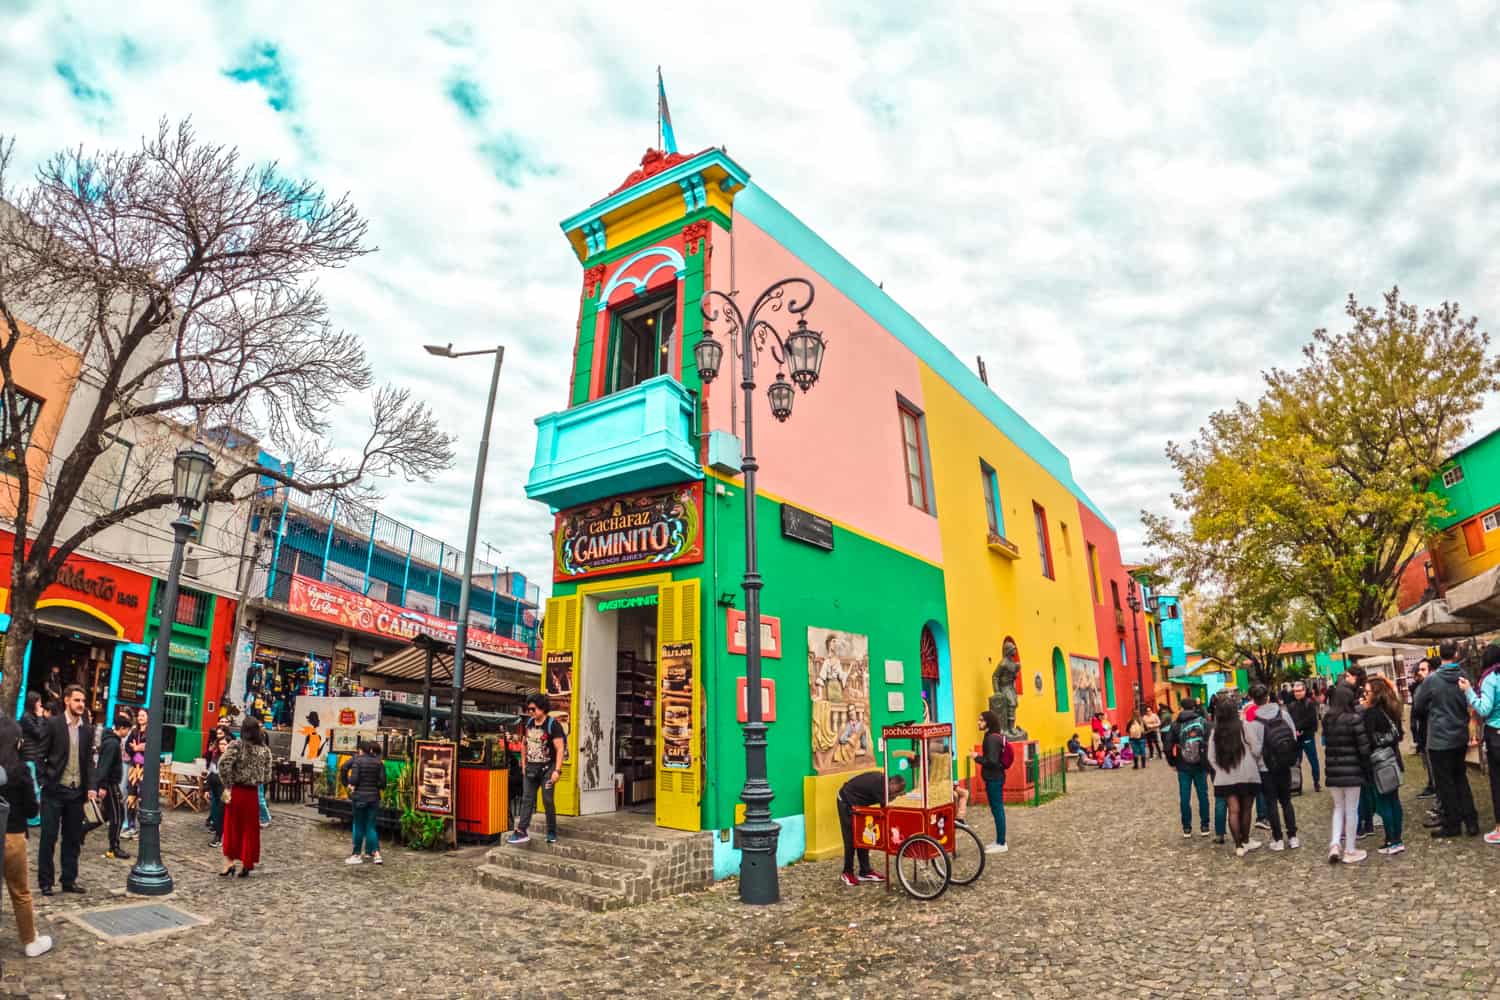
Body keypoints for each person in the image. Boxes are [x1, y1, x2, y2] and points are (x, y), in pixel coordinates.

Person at [37, 684, 97, 896]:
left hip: (76, 793)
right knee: (49, 837)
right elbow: (39, 755)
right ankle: (45, 882)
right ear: (67, 701)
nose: (81, 704)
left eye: (83, 701)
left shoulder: (87, 729)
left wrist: (91, 786)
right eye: (77, 700)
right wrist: (44, 779)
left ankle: (69, 880)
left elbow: (89, 760)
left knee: (72, 838)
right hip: (54, 790)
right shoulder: (53, 724)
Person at [0, 714, 52, 957]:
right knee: (20, 891)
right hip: (13, 836)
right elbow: (32, 810)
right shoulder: (20, 771)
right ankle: (30, 940)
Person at [1419, 639, 1480, 839]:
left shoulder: (1432, 680)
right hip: (1459, 736)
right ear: (1456, 654)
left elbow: (1419, 706)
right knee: (1461, 778)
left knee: (1445, 784)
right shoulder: (1463, 676)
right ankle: (1471, 822)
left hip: (1439, 738)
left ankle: (1453, 824)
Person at [1323, 682, 1372, 864]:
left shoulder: (1327, 719)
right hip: (1353, 770)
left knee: (1338, 808)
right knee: (1352, 809)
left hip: (1334, 770)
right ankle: (1350, 849)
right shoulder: (1354, 719)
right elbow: (1363, 748)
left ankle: (1335, 843)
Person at [1207, 696, 1263, 857]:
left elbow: (1211, 757)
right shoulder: (1244, 726)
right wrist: (1252, 761)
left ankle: (1238, 846)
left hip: (1225, 776)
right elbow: (1256, 748)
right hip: (1247, 774)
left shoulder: (1215, 732)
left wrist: (1220, 770)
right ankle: (1245, 840)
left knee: (1233, 811)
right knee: (1246, 809)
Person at [508, 693, 566, 846]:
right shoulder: (529, 724)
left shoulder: (553, 725)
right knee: (527, 799)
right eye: (528, 709)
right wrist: (523, 764)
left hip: (548, 768)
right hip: (531, 768)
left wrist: (557, 771)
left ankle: (551, 830)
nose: (530, 712)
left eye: (533, 709)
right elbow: (524, 744)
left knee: (547, 800)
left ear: (542, 708)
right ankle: (521, 830)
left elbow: (560, 749)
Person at [219, 716, 273, 877]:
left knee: (232, 828)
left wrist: (228, 783)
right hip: (252, 794)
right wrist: (257, 780)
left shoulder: (237, 746)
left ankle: (229, 863)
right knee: (249, 829)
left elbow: (223, 764)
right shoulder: (265, 751)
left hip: (236, 791)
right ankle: (247, 863)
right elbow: (267, 776)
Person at [835, 770, 905, 886]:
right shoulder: (880, 785)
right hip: (846, 801)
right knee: (851, 838)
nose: (894, 794)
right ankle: (847, 872)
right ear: (892, 783)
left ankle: (865, 871)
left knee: (863, 836)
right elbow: (886, 807)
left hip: (859, 804)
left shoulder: (884, 783)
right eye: (895, 791)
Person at [1251, 685, 1300, 851]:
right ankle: (1293, 837)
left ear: (1253, 700)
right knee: (1286, 801)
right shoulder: (1283, 714)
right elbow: (1293, 736)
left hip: (1266, 769)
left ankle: (1278, 839)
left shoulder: (1254, 723)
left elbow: (1255, 750)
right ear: (1267, 696)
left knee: (1270, 803)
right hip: (1284, 764)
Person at [1460, 644, 1500, 844]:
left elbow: (1484, 709)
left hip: (1496, 734)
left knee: (1497, 783)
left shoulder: (1490, 680)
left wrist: (1468, 691)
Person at [1364, 675, 1407, 855]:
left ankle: (1392, 840)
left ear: (1376, 694)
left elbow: (1368, 740)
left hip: (1379, 762)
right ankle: (1397, 838)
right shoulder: (1392, 709)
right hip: (1393, 759)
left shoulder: (1371, 714)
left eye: (1367, 692)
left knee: (1383, 802)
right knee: (1394, 800)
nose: (1364, 695)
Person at [1164, 697, 1211, 838]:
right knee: (1203, 794)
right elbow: (1209, 742)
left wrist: (1172, 762)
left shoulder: (1175, 725)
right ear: (1194, 707)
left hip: (1182, 764)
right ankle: (1205, 826)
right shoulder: (1203, 722)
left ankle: (1187, 828)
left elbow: (1167, 746)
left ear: (1181, 708)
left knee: (1185, 796)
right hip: (1200, 764)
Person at [340, 740, 388, 865]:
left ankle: (356, 854)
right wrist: (373, 785)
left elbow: (354, 779)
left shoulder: (358, 761)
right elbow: (383, 783)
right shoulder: (379, 763)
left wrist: (349, 784)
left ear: (361, 750)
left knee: (358, 825)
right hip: (374, 798)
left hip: (360, 797)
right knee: (371, 826)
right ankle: (377, 854)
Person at [971, 710, 1011, 854]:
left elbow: (992, 761)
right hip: (994, 777)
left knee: (998, 809)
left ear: (988, 722)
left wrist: (977, 757)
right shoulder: (990, 737)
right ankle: (999, 840)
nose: (978, 722)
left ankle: (1001, 843)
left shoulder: (991, 739)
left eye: (981, 720)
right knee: (996, 809)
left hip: (994, 778)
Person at [95, 709, 131, 861]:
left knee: (105, 815)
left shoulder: (112, 741)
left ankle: (81, 830)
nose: (127, 733)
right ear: (121, 728)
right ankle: (114, 846)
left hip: (110, 783)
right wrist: (102, 785)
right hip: (110, 784)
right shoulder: (112, 744)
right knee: (117, 816)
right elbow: (105, 766)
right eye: (127, 729)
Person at [1287, 680, 1321, 793]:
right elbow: (1290, 721)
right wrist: (1294, 730)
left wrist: (1300, 729)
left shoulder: (1309, 703)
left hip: (1307, 736)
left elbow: (1311, 720)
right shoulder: (1291, 705)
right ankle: (1297, 785)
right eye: (1295, 691)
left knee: (1313, 760)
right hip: (1296, 738)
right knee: (1296, 763)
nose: (1297, 693)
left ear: (1304, 691)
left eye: (1299, 691)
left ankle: (1316, 782)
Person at [19, 692, 47, 830]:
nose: (40, 704)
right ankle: (32, 818)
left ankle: (34, 817)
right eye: (38, 701)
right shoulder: (26, 717)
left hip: (35, 757)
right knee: (33, 788)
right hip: (29, 757)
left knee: (36, 788)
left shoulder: (32, 717)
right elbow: (40, 734)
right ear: (33, 702)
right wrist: (41, 717)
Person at [1411, 659, 1435, 799]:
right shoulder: (1418, 687)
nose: (1419, 673)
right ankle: (1432, 784)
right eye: (1418, 670)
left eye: (1423, 669)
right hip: (1423, 731)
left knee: (1433, 764)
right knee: (1427, 762)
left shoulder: (1430, 688)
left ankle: (1436, 788)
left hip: (1431, 732)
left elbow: (1421, 709)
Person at [123, 707, 148, 840]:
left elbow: (152, 748)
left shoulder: (151, 732)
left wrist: (140, 748)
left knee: (143, 797)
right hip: (134, 768)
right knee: (131, 797)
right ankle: (131, 826)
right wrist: (135, 749)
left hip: (145, 769)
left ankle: (143, 828)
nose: (140, 718)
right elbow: (127, 746)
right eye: (139, 716)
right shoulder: (134, 732)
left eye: (143, 715)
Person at [205, 726, 230, 849]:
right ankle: (219, 833)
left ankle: (218, 837)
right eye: (221, 744)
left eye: (225, 744)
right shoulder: (215, 757)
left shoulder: (231, 759)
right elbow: (210, 772)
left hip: (226, 790)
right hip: (215, 788)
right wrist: (206, 788)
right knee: (217, 813)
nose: (222, 746)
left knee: (222, 813)